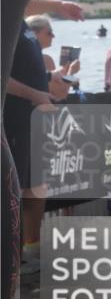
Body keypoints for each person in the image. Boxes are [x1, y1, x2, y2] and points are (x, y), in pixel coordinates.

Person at [3, 22, 70, 275]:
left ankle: (30, 248)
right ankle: (13, 257)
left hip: (34, 119)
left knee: (36, 185)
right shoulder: (6, 15)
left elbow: (26, 69)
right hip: (14, 119)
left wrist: (52, 79)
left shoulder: (22, 22)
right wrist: (36, 94)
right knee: (15, 189)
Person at [25, 15, 79, 100]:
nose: (53, 36)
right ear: (34, 33)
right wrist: (71, 72)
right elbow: (60, 93)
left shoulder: (20, 57)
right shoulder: (45, 60)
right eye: (49, 33)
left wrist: (64, 70)